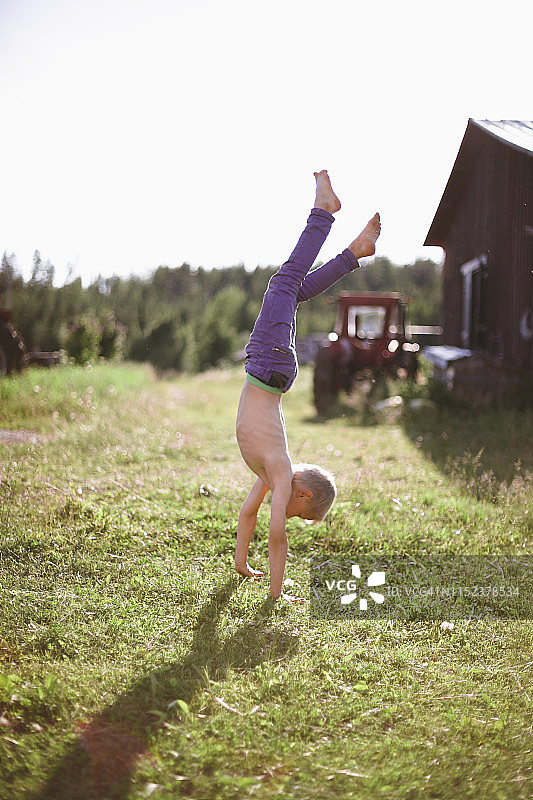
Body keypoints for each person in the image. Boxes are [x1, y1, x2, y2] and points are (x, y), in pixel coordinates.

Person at [235, 170, 380, 602]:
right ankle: (324, 214)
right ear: (302, 493)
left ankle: (354, 250)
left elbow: (249, 514)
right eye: (299, 513)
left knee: (289, 288)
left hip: (271, 369)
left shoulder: (270, 474)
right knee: (284, 284)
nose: (289, 516)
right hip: (269, 366)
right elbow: (276, 535)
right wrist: (277, 593)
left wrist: (241, 562)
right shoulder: (279, 473)